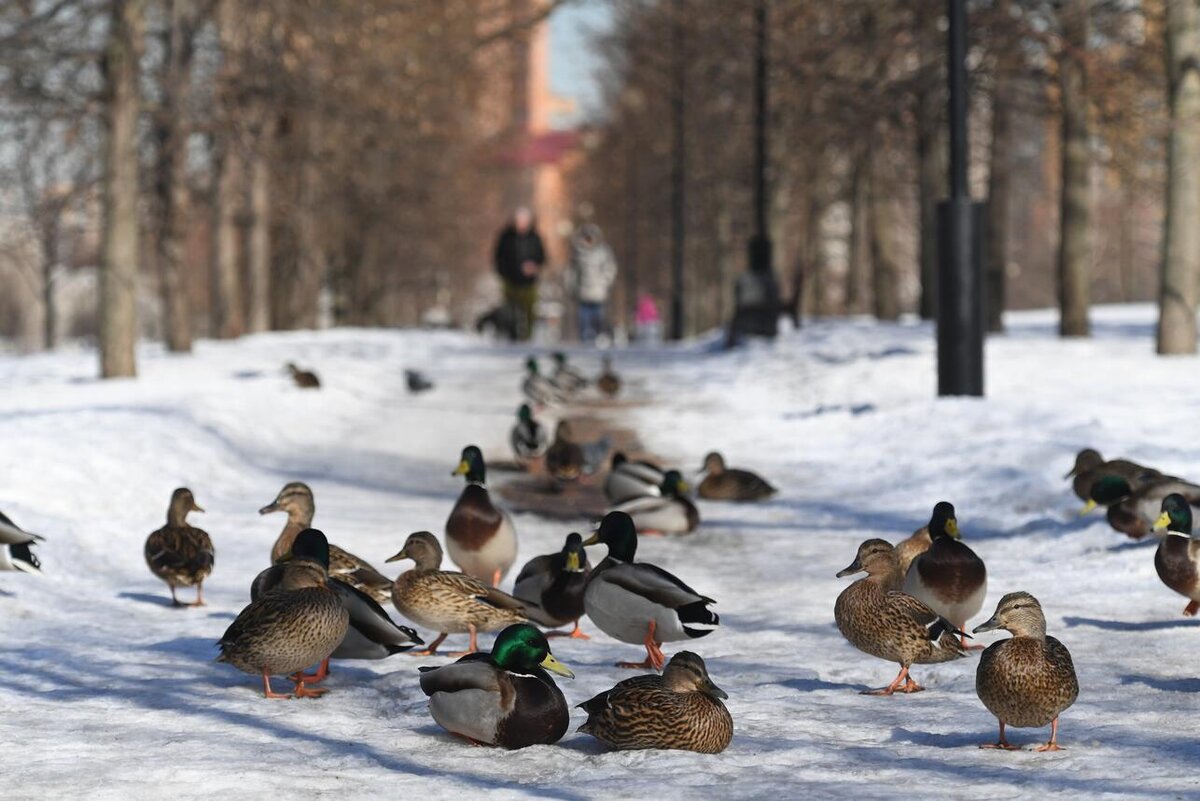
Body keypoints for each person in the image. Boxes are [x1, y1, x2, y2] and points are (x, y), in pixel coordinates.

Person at [493, 207, 546, 341]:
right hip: (510, 280)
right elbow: (498, 257)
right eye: (519, 221)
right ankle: (512, 336)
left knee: (529, 309)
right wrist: (504, 272)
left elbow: (542, 257)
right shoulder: (506, 237)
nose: (521, 224)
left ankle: (527, 337)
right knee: (510, 310)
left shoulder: (535, 238)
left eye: (524, 221)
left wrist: (534, 266)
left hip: (529, 281)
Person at [567, 223, 618, 344]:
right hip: (582, 291)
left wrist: (604, 281)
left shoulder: (603, 252)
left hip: (598, 291)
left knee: (598, 317)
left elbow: (610, 268)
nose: (588, 240)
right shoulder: (577, 253)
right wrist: (572, 286)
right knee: (583, 319)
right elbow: (572, 272)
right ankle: (584, 340)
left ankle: (598, 338)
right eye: (586, 238)